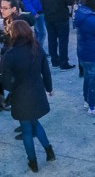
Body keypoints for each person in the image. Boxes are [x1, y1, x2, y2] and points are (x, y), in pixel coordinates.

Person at [1, 20, 55, 173]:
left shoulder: (10, 55)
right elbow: (46, 71)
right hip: (37, 94)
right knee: (35, 123)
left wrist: (12, 87)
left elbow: (6, 83)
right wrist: (49, 88)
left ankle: (33, 162)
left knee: (26, 130)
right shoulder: (36, 47)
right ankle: (49, 151)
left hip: (20, 98)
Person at [38, 0, 75, 70]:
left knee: (52, 38)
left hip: (48, 16)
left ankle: (54, 60)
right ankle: (64, 62)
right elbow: (70, 1)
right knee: (63, 40)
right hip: (61, 16)